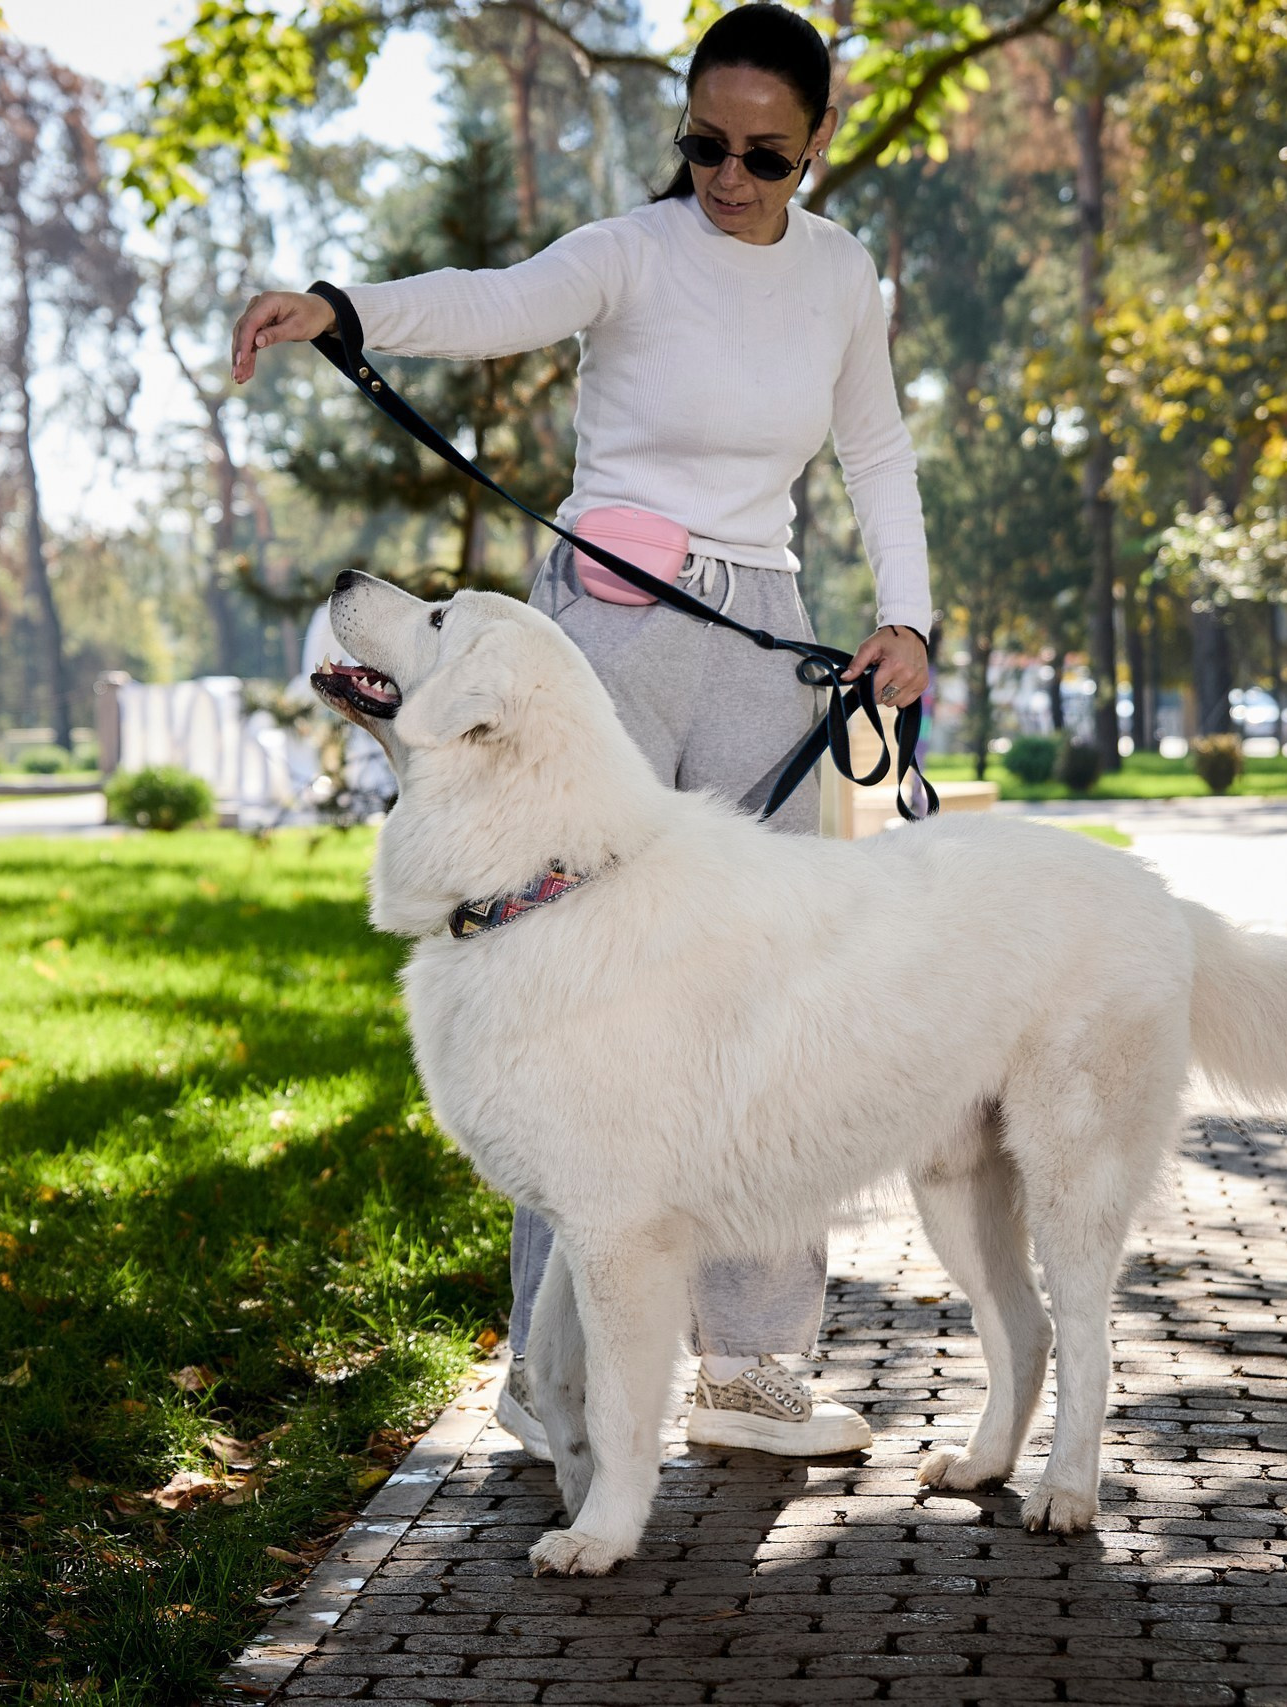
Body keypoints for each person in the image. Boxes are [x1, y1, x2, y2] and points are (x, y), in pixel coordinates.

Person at [230, 1, 930, 1459]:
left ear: (817, 145)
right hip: (605, 635)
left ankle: (751, 1375)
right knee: (570, 1001)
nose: (728, 176)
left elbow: (874, 448)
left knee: (765, 1004)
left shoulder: (841, 279)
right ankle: (553, 1393)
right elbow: (490, 302)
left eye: (764, 155)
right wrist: (344, 308)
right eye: (703, 145)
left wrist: (909, 620)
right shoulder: (631, 252)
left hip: (763, 647)